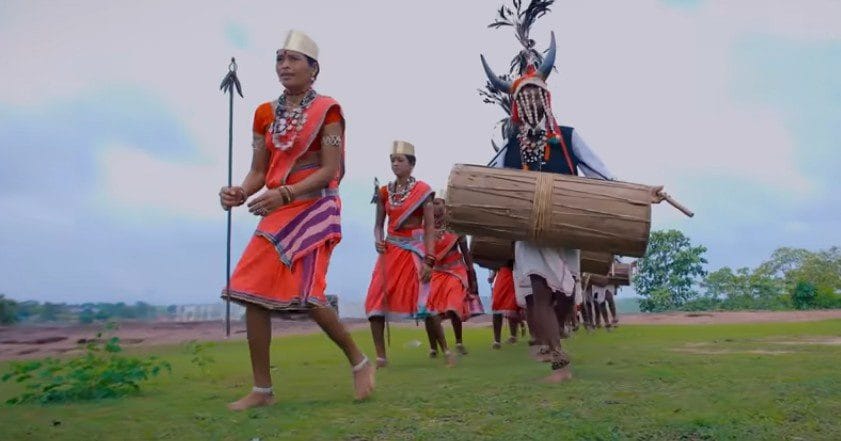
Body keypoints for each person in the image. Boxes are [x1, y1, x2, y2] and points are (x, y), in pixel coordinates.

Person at [219, 30, 374, 410]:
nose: (284, 65)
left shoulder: (328, 111)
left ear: (313, 69)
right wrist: (241, 191)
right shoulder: (264, 114)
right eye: (279, 58)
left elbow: (330, 169)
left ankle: (359, 362)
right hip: (277, 208)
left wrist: (286, 192)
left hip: (316, 206)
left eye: (293, 59)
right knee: (252, 290)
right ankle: (263, 391)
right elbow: (260, 170)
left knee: (309, 295)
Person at [481, 32, 615, 382]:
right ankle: (559, 360)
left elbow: (602, 174)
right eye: (523, 97)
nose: (531, 102)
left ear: (546, 97)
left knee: (567, 296)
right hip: (528, 230)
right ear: (515, 105)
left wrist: (632, 195)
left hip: (565, 227)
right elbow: (488, 179)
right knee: (538, 290)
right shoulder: (511, 146)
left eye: (536, 94)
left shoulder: (568, 137)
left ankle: (553, 335)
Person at [365, 141, 446, 367]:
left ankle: (445, 349)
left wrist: (430, 260)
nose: (395, 164)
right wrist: (377, 240)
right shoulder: (384, 192)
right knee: (375, 300)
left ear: (412, 164)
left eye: (400, 160)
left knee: (426, 303)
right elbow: (378, 225)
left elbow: (429, 228)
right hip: (389, 252)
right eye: (392, 160)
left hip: (414, 252)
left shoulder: (423, 192)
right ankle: (381, 356)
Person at [426, 190, 480, 358]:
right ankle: (433, 347)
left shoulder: (456, 227)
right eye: (432, 204)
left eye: (438, 203)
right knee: (429, 309)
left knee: (453, 306)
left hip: (456, 271)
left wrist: (473, 276)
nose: (435, 207)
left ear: (445, 205)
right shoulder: (426, 228)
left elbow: (466, 254)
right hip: (435, 272)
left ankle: (458, 342)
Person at [489, 262, 524, 349]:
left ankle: (513, 336)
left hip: (516, 275)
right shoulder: (500, 250)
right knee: (497, 306)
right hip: (503, 276)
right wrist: (492, 276)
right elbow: (497, 261)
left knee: (513, 307)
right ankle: (497, 340)